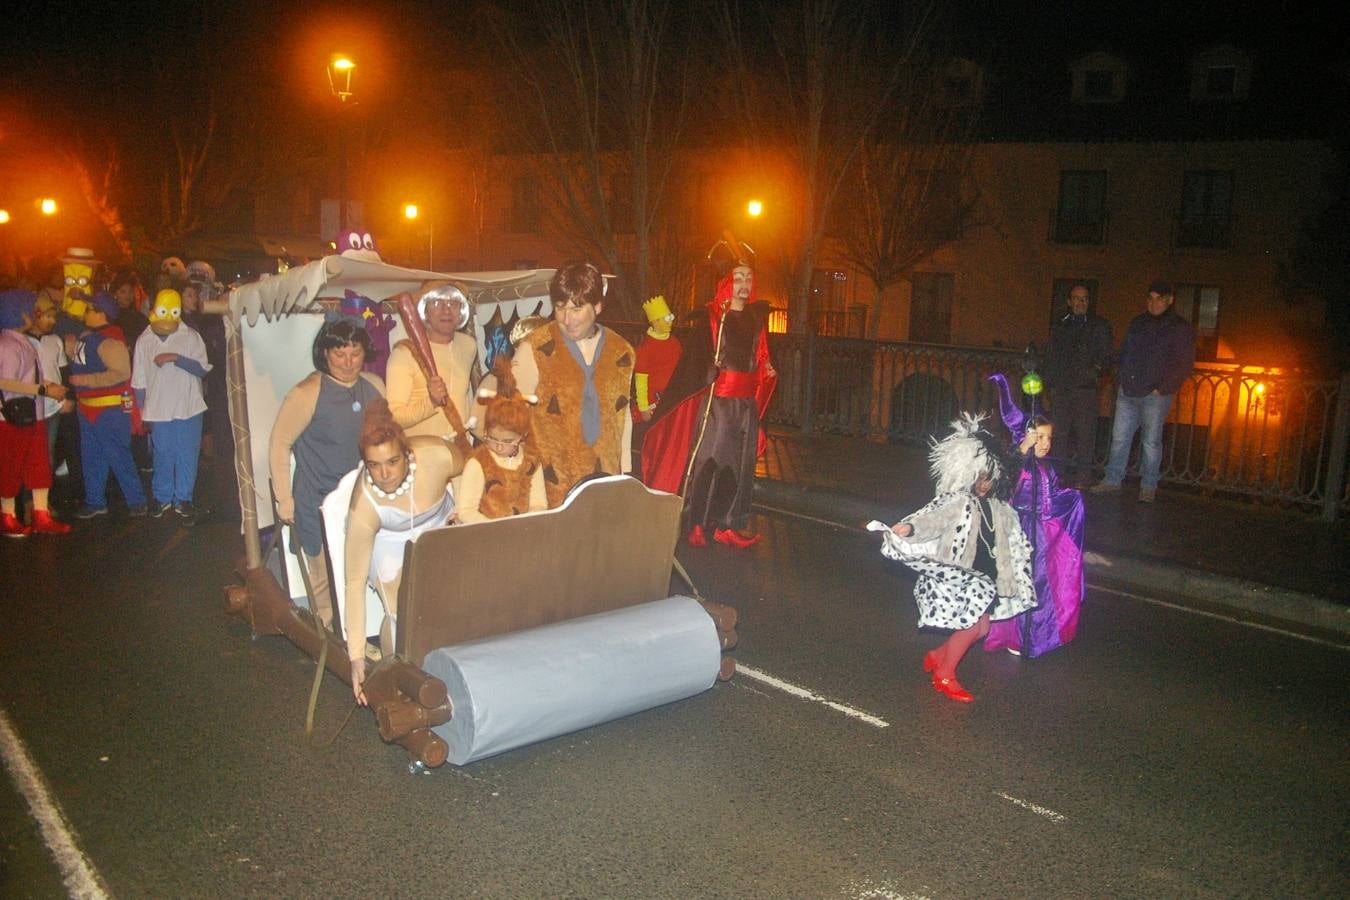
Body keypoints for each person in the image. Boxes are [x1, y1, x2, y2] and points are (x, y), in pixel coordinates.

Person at [871, 414, 1035, 702]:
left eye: (989, 479)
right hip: (963, 575)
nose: (984, 485)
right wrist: (909, 528)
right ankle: (945, 673)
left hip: (987, 576)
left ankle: (937, 654)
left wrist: (1025, 446)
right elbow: (933, 520)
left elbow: (1010, 470)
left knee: (982, 628)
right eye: (980, 478)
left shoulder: (998, 505)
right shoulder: (958, 502)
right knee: (972, 625)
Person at [641, 257, 777, 548]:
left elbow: (761, 355)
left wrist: (766, 369)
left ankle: (725, 525)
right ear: (727, 283)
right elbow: (697, 359)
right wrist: (709, 371)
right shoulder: (714, 317)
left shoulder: (756, 319)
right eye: (738, 278)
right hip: (717, 404)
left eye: (748, 279)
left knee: (737, 466)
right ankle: (697, 523)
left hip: (744, 406)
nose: (744, 284)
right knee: (708, 462)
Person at [344, 399, 463, 703]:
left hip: (442, 526)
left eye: (392, 462)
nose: (384, 474)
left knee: (457, 597)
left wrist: (464, 508)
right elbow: (354, 583)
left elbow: (468, 467)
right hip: (391, 541)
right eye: (374, 465)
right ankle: (395, 680)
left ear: (407, 454)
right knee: (399, 611)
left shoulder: (436, 453)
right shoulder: (364, 504)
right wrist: (356, 656)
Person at [269, 319, 385, 628]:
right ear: (325, 353)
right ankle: (328, 635)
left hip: (361, 501)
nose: (348, 363)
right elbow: (279, 444)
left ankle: (364, 633)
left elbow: (387, 441)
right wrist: (284, 499)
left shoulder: (374, 386)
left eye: (355, 353)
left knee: (363, 572)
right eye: (339, 353)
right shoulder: (307, 393)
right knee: (323, 580)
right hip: (317, 501)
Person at [512, 261, 634, 508]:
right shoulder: (534, 348)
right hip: (549, 478)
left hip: (604, 475)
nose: (567, 319)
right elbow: (513, 414)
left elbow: (622, 414)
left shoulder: (622, 351)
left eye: (577, 309)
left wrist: (626, 469)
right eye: (560, 308)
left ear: (597, 306)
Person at [983, 375, 1085, 658]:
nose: (1045, 443)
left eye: (1048, 438)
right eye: (1039, 437)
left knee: (1043, 582)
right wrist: (1023, 447)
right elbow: (1006, 479)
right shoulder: (1019, 463)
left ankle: (1037, 633)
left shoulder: (1046, 468)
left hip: (1041, 531)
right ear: (1025, 437)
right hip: (1019, 530)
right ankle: (1014, 634)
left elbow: (1051, 497)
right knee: (1019, 582)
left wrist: (1072, 500)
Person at [1091, 280, 1195, 502]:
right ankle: (1112, 480)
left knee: (1151, 441)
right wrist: (1119, 375)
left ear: (1170, 300)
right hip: (1129, 390)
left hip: (1155, 395)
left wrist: (1163, 388)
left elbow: (1185, 363)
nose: (1154, 303)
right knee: (1120, 438)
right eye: (1150, 298)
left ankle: (1148, 485)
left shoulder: (1179, 327)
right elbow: (1126, 352)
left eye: (1159, 298)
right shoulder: (1138, 323)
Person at [132, 289, 211, 521]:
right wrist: (142, 413)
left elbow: (202, 369)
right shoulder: (144, 340)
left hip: (189, 406)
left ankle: (183, 498)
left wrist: (176, 358)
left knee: (187, 454)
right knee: (163, 454)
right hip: (158, 409)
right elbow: (139, 381)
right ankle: (162, 497)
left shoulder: (191, 336)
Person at [69, 291, 148, 518]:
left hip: (109, 409)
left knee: (118, 455)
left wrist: (86, 381)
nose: (86, 312)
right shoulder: (90, 337)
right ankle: (95, 500)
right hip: (88, 408)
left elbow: (122, 373)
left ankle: (136, 500)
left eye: (90, 309)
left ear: (101, 313)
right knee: (92, 456)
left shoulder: (110, 341)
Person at [0, 291, 72, 536]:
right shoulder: (8, 344)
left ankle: (41, 514)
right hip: (13, 418)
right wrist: (42, 389)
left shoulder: (19, 341)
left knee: (38, 466)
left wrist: (46, 389)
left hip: (32, 414)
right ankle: (8, 516)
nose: (33, 313)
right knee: (11, 467)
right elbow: (5, 383)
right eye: (28, 309)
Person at [457, 357, 547, 524]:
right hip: (487, 535)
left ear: (522, 436)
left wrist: (525, 523)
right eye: (492, 438)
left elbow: (539, 504)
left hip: (522, 533)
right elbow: (466, 511)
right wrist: (497, 530)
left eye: (507, 441)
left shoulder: (532, 461)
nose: (498, 446)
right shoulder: (478, 462)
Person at [386, 281, 477, 442]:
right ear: (425, 311)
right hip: (423, 456)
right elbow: (394, 417)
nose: (446, 310)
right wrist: (431, 402)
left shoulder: (468, 345)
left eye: (453, 303)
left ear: (461, 311)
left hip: (460, 452)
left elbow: (464, 398)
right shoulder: (404, 354)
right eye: (437, 303)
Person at [1043, 282, 1112, 484]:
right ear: (1069, 301)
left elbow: (1106, 357)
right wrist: (1050, 385)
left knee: (1085, 435)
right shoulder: (1060, 325)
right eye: (1076, 298)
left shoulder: (1099, 326)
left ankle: (1083, 477)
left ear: (1088, 302)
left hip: (1085, 390)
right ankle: (1056, 476)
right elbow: (1051, 356)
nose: (1080, 303)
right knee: (1059, 435)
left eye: (1084, 299)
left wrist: (1094, 376)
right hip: (1062, 389)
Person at [632, 295, 682, 424]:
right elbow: (641, 381)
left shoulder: (675, 343)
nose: (670, 321)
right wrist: (643, 408)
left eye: (671, 317)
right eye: (665, 319)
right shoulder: (646, 347)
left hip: (673, 402)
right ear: (654, 322)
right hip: (654, 405)